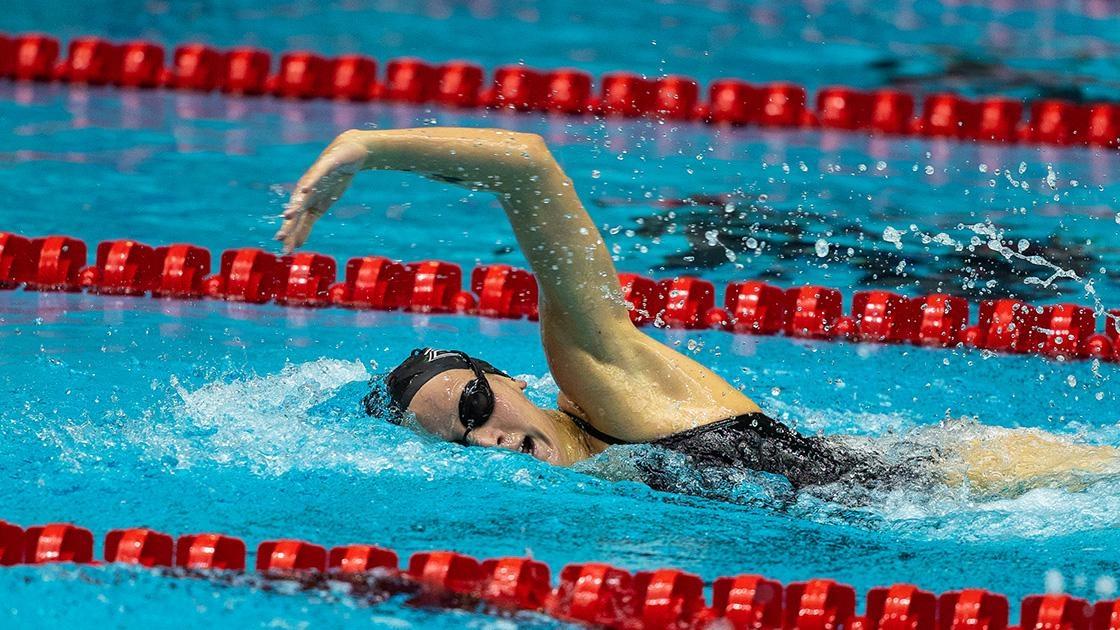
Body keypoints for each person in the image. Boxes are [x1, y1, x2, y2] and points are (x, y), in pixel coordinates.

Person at [277, 127, 1117, 498]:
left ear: (506, 381)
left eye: (472, 405)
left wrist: (365, 148)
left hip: (972, 488)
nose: (487, 434)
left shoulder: (604, 382)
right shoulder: (591, 474)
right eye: (459, 438)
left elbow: (528, 167)